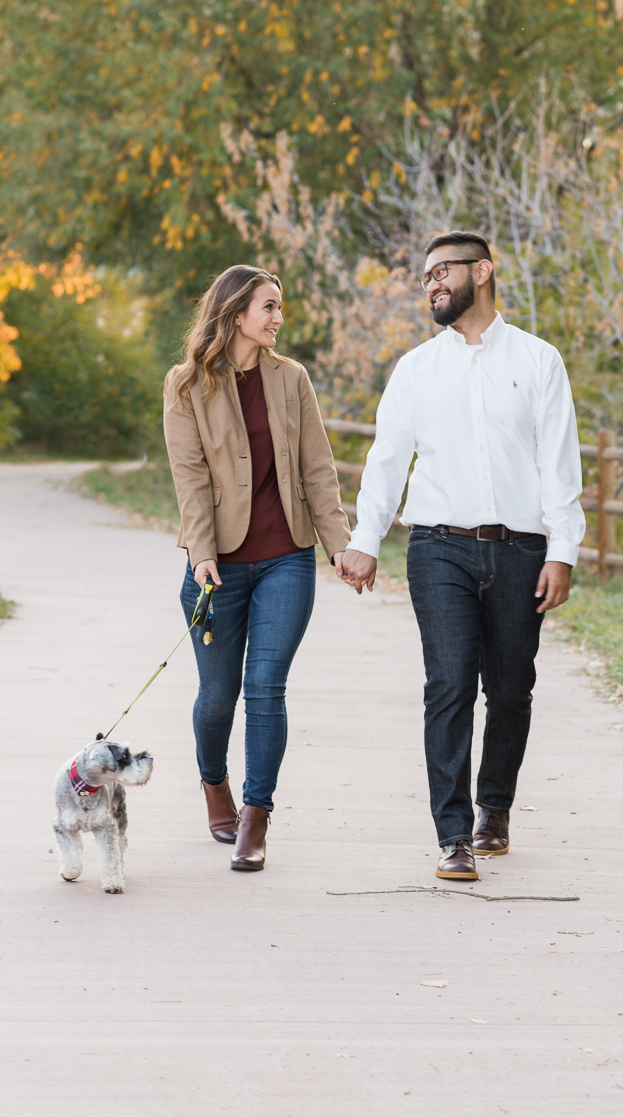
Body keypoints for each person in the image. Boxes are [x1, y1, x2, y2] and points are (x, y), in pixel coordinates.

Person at [339, 231, 584, 881]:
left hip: (520, 550)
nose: (433, 285)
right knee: (448, 683)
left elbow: (559, 464)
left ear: (483, 271)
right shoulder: (416, 369)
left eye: (442, 272)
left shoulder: (539, 361)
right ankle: (453, 835)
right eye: (426, 278)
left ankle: (493, 808)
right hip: (438, 547)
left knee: (510, 688)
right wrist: (365, 540)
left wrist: (562, 550)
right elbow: (387, 460)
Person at [163, 264, 350, 871]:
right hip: (216, 565)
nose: (278, 318)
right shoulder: (187, 384)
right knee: (219, 696)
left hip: (286, 557)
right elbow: (190, 478)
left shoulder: (292, 378)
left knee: (267, 688)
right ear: (236, 311)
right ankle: (213, 783)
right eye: (269, 306)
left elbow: (318, 468)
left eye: (278, 306)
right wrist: (201, 552)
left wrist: (339, 546)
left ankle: (255, 816)